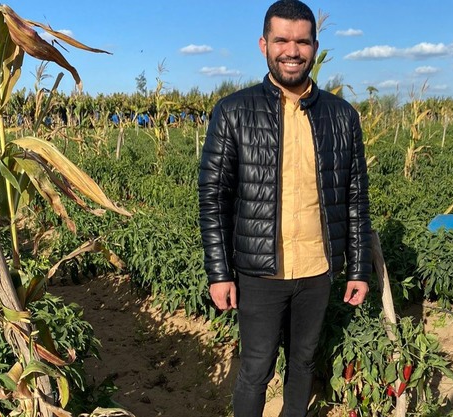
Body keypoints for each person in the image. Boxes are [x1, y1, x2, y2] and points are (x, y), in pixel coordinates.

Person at [198, 0, 372, 415]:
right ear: (264, 45)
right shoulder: (233, 111)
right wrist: (220, 273)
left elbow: (355, 198)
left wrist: (359, 268)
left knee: (303, 363)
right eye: (281, 41)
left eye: (302, 42)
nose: (292, 51)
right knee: (255, 369)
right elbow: (213, 199)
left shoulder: (342, 117)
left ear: (315, 47)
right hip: (259, 272)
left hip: (316, 270)